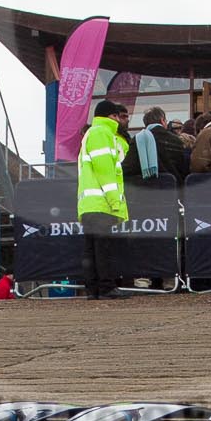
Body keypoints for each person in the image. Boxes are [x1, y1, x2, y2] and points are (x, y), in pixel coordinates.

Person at [76, 98, 130, 300]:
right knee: (102, 248)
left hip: (89, 202)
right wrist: (115, 201)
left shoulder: (92, 133)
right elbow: (105, 170)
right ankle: (106, 287)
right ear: (111, 116)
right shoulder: (103, 133)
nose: (119, 119)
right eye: (117, 115)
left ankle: (93, 289)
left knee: (90, 248)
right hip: (101, 202)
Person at [125, 105, 191, 186]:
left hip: (146, 192)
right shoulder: (176, 140)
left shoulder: (138, 139)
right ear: (162, 120)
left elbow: (128, 168)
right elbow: (182, 168)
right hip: (172, 190)